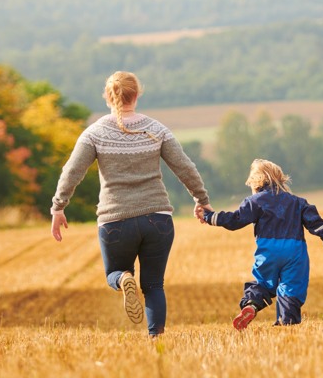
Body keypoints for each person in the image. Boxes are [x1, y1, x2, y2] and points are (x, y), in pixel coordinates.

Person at [50, 71, 211, 337]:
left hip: (115, 220)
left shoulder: (95, 132)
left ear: (108, 96)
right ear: (137, 94)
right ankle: (156, 338)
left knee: (114, 272)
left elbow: (72, 171)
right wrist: (201, 200)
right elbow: (185, 166)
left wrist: (58, 206)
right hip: (158, 219)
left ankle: (124, 279)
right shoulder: (157, 129)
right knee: (153, 286)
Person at [197, 159, 323, 329]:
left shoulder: (255, 201)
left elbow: (234, 220)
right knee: (292, 286)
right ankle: (286, 322)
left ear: (255, 182)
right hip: (295, 250)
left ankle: (251, 304)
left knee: (263, 283)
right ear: (280, 178)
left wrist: (209, 216)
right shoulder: (298, 202)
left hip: (268, 251)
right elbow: (316, 223)